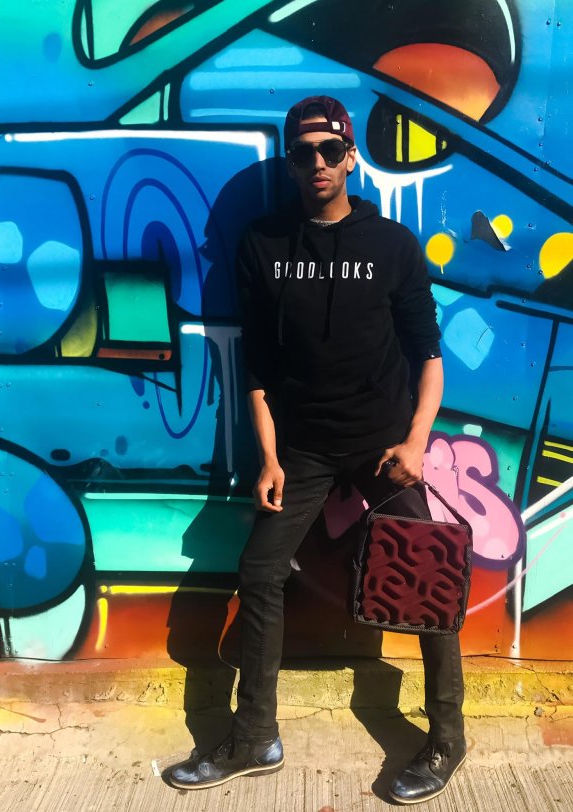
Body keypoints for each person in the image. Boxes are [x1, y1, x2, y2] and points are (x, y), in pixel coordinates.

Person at [169, 95, 466, 804]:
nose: (318, 164)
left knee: (427, 576)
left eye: (331, 150)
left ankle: (447, 736)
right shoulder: (262, 245)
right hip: (302, 450)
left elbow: (428, 356)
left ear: (351, 157)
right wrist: (270, 459)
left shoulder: (392, 244)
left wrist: (417, 442)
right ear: (291, 163)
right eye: (304, 154)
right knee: (260, 570)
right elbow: (259, 373)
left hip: (383, 447)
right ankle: (256, 738)